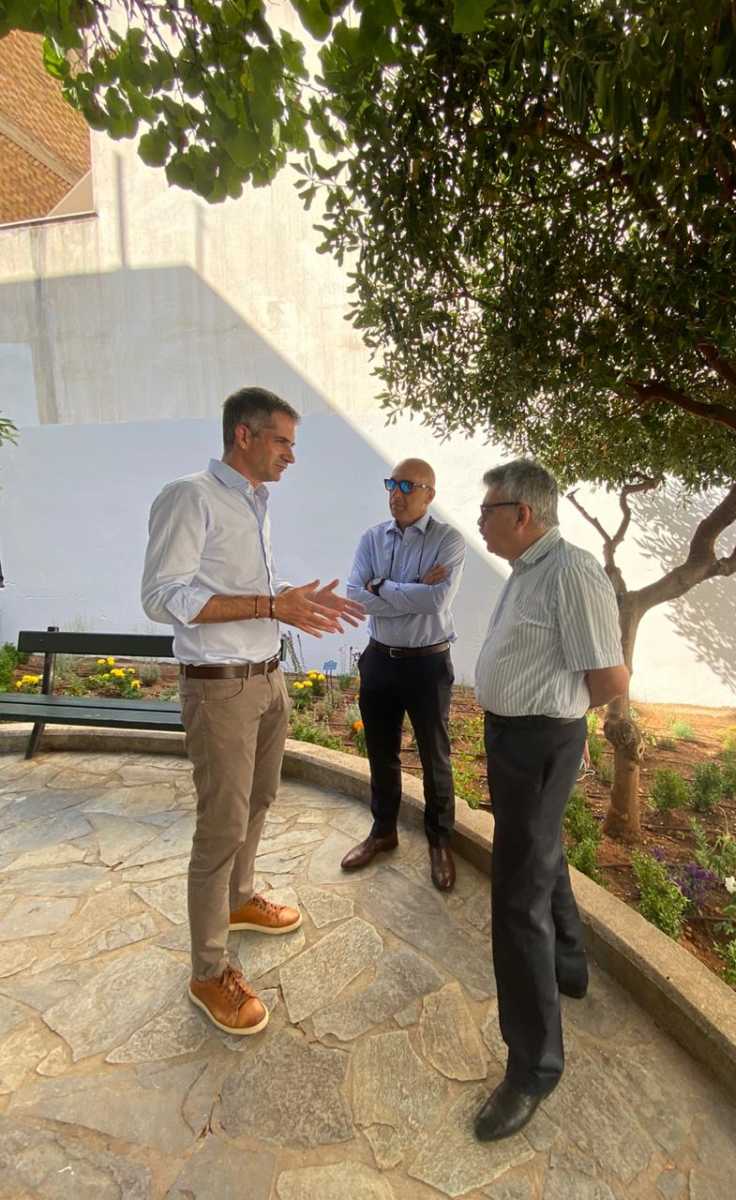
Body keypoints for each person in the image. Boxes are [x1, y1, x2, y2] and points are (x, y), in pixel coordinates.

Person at [141, 386, 364, 1036]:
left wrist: (287, 599)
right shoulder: (190, 496)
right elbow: (162, 596)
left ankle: (239, 900)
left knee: (261, 799)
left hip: (267, 680)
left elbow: (235, 586)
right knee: (221, 827)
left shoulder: (253, 501)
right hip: (220, 691)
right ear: (244, 435)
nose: (291, 455)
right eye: (282, 441)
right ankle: (208, 971)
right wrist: (271, 606)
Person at [472, 458, 628, 1141]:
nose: (480, 521)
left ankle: (534, 1069)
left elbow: (610, 678)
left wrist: (559, 723)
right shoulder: (527, 569)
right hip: (517, 739)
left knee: (516, 899)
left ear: (522, 514)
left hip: (539, 742)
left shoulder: (570, 572)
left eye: (488, 510)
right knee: (539, 856)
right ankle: (570, 963)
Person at [341, 458, 466, 891]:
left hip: (427, 663)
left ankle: (440, 841)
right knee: (381, 752)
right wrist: (410, 590)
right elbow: (354, 596)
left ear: (430, 494)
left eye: (408, 486)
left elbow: (437, 602)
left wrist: (381, 586)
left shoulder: (448, 541)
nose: (396, 493)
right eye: (392, 484)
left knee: (435, 756)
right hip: (379, 659)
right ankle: (383, 832)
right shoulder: (372, 538)